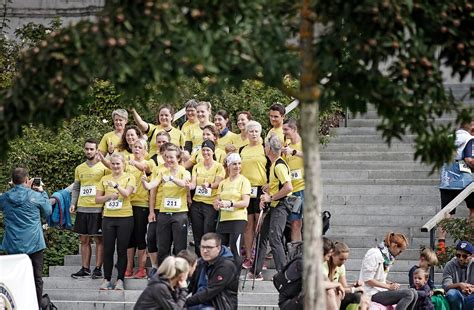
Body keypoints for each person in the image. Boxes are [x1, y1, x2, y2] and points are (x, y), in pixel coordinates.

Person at [0, 167, 52, 307]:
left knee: (14, 278)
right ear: (27, 179)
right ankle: (36, 306)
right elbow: (48, 211)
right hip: (34, 243)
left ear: (12, 181)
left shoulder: (4, 198)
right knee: (36, 278)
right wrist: (42, 192)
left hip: (13, 244)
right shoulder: (35, 196)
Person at [250, 135, 293, 280]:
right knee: (262, 235)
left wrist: (271, 197)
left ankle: (284, 273)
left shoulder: (279, 165)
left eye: (265, 146)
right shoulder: (275, 164)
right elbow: (281, 184)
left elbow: (288, 187)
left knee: (274, 238)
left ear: (269, 149)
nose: (264, 148)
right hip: (274, 206)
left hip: (280, 206)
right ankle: (255, 270)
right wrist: (270, 188)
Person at [143, 144, 191, 265]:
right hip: (164, 214)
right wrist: (144, 182)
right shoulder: (162, 172)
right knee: (163, 247)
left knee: (180, 247)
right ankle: (164, 276)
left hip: (179, 214)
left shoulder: (184, 172)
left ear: (178, 158)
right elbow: (151, 185)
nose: (169, 160)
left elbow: (184, 184)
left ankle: (180, 275)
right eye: (167, 157)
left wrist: (171, 178)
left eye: (172, 157)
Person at [96, 153, 136, 290]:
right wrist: (108, 197)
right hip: (108, 218)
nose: (115, 166)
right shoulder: (104, 178)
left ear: (123, 164)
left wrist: (116, 186)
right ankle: (106, 279)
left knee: (122, 250)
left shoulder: (130, 177)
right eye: (113, 163)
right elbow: (97, 199)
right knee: (108, 249)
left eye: (118, 163)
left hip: (125, 217)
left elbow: (126, 194)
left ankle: (120, 279)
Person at [70, 138, 109, 279]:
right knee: (84, 240)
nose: (89, 151)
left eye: (92, 149)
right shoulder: (79, 168)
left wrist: (106, 206)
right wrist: (73, 203)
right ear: (84, 149)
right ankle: (85, 268)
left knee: (99, 240)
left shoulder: (104, 168)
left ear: (97, 150)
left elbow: (108, 186)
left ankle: (98, 268)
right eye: (87, 149)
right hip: (82, 208)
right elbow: (76, 187)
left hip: (98, 209)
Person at [438, 121, 474, 253]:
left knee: (447, 213)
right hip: (465, 180)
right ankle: (469, 239)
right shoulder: (470, 139)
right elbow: (469, 159)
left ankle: (441, 243)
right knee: (472, 210)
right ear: (471, 128)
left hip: (446, 179)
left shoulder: (448, 138)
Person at [359, 232, 418, 309]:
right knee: (409, 294)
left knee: (414, 292)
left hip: (380, 291)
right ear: (394, 246)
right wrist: (389, 286)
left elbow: (379, 278)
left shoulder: (387, 258)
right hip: (370, 293)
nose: (400, 254)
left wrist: (390, 283)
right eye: (400, 251)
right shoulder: (374, 254)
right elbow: (368, 280)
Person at [125, 139, 156, 279]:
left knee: (139, 236)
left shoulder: (149, 161)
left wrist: (134, 163)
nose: (137, 149)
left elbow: (146, 169)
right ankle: (129, 267)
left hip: (141, 203)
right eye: (135, 147)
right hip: (127, 204)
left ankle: (142, 268)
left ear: (145, 150)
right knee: (129, 238)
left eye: (140, 147)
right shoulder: (127, 162)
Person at [188, 140, 225, 257]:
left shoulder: (219, 167)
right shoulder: (197, 167)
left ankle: (210, 257)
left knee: (208, 231)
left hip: (210, 204)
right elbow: (193, 183)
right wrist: (189, 186)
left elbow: (218, 183)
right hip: (197, 202)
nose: (205, 153)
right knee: (197, 232)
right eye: (203, 150)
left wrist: (209, 185)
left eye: (208, 150)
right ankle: (199, 259)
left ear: (213, 152)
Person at [214, 152, 251, 268]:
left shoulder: (244, 181)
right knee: (220, 249)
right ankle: (221, 276)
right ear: (228, 166)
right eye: (234, 164)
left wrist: (230, 203)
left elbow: (246, 202)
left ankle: (235, 279)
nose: (237, 166)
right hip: (224, 219)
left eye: (239, 163)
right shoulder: (223, 183)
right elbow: (216, 201)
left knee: (235, 249)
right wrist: (217, 204)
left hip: (238, 219)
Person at [240, 120, 268, 269]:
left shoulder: (265, 148)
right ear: (246, 133)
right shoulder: (242, 150)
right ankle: (249, 257)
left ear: (260, 132)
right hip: (245, 190)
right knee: (248, 225)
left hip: (260, 190)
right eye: (251, 131)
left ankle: (260, 257)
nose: (254, 134)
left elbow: (272, 165)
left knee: (259, 224)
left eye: (256, 131)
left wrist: (270, 184)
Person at [185, 233, 239, 310]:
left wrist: (184, 302)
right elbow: (190, 286)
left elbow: (210, 292)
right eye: (202, 247)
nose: (205, 251)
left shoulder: (226, 266)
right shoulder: (200, 262)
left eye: (209, 247)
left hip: (218, 306)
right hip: (198, 303)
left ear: (218, 248)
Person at [282, 118, 304, 242]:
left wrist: (294, 152)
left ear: (294, 129)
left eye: (286, 130)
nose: (284, 133)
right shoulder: (287, 146)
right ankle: (296, 252)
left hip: (304, 188)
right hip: (292, 190)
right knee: (295, 223)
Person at [324, 241, 365, 309]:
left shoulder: (341, 267)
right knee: (335, 292)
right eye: (341, 259)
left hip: (337, 295)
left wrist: (354, 285)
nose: (343, 262)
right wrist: (353, 289)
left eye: (345, 259)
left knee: (357, 296)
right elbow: (330, 287)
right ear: (333, 255)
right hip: (326, 297)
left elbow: (344, 286)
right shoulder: (324, 265)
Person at [442, 240, 474, 310]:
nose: (461, 258)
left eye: (464, 256)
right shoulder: (450, 265)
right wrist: (459, 285)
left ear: (471, 256)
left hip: (471, 295)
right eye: (458, 255)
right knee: (451, 294)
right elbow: (445, 286)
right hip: (457, 295)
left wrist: (472, 289)